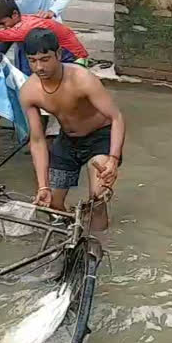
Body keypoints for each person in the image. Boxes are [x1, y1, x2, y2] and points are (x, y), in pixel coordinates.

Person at [19, 28, 125, 231]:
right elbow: (38, 140)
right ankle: (72, 236)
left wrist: (113, 159)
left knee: (97, 200)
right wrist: (43, 186)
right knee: (52, 205)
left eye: (45, 59)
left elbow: (116, 116)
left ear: (58, 54)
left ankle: (98, 246)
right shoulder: (29, 91)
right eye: (33, 61)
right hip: (67, 140)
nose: (39, 67)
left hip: (100, 138)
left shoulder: (82, 79)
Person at [0, 0, 89, 101]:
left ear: (14, 15)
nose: (4, 28)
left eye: (3, 24)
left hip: (73, 63)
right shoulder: (16, 28)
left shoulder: (28, 29)